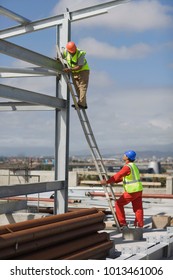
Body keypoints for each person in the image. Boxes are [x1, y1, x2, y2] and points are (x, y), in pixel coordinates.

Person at [100, 150, 144, 228]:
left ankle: (122, 223)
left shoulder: (127, 167)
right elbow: (125, 177)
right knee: (138, 208)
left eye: (124, 155)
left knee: (118, 204)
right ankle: (139, 225)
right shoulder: (133, 166)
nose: (123, 156)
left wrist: (107, 182)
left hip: (132, 191)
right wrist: (114, 181)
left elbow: (118, 175)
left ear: (127, 157)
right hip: (138, 190)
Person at [62, 41, 90, 109]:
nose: (73, 52)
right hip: (75, 72)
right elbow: (62, 57)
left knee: (82, 87)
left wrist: (69, 70)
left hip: (83, 71)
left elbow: (80, 66)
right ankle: (83, 104)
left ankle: (81, 104)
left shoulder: (80, 53)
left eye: (73, 51)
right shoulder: (66, 52)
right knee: (77, 87)